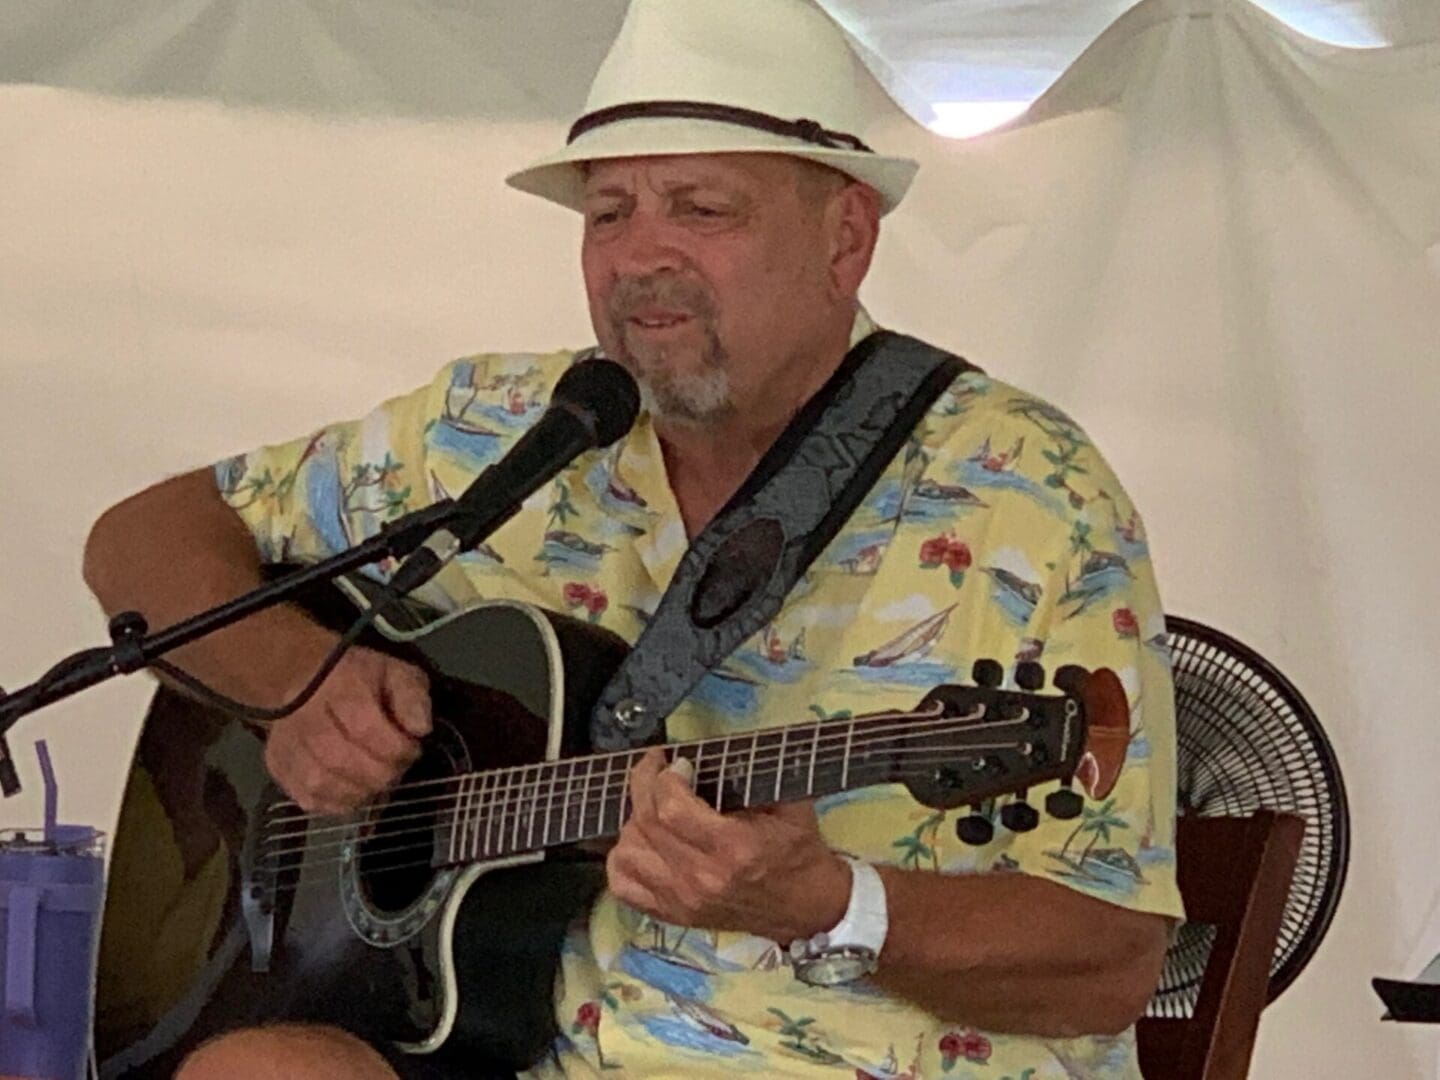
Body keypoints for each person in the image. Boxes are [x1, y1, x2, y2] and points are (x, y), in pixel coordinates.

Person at [82, 1, 1182, 1077]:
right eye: (609, 213)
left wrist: (831, 905)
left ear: (845, 235)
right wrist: (291, 683)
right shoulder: (497, 428)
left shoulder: (1023, 488)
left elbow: (1111, 963)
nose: (639, 256)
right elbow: (145, 537)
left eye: (701, 208)